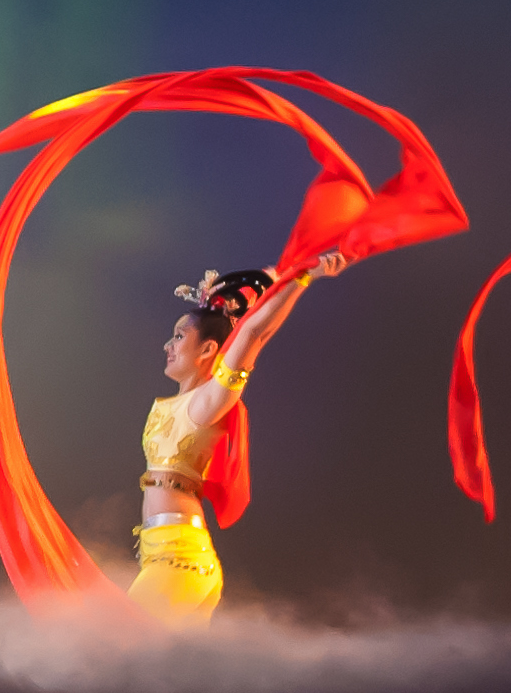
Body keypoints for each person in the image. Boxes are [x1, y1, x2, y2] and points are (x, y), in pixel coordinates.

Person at [126, 252, 348, 627]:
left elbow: (253, 332)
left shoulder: (208, 402)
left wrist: (301, 277)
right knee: (155, 677)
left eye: (180, 336)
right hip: (162, 558)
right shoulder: (166, 406)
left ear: (208, 350)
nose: (169, 344)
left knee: (111, 646)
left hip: (181, 561)